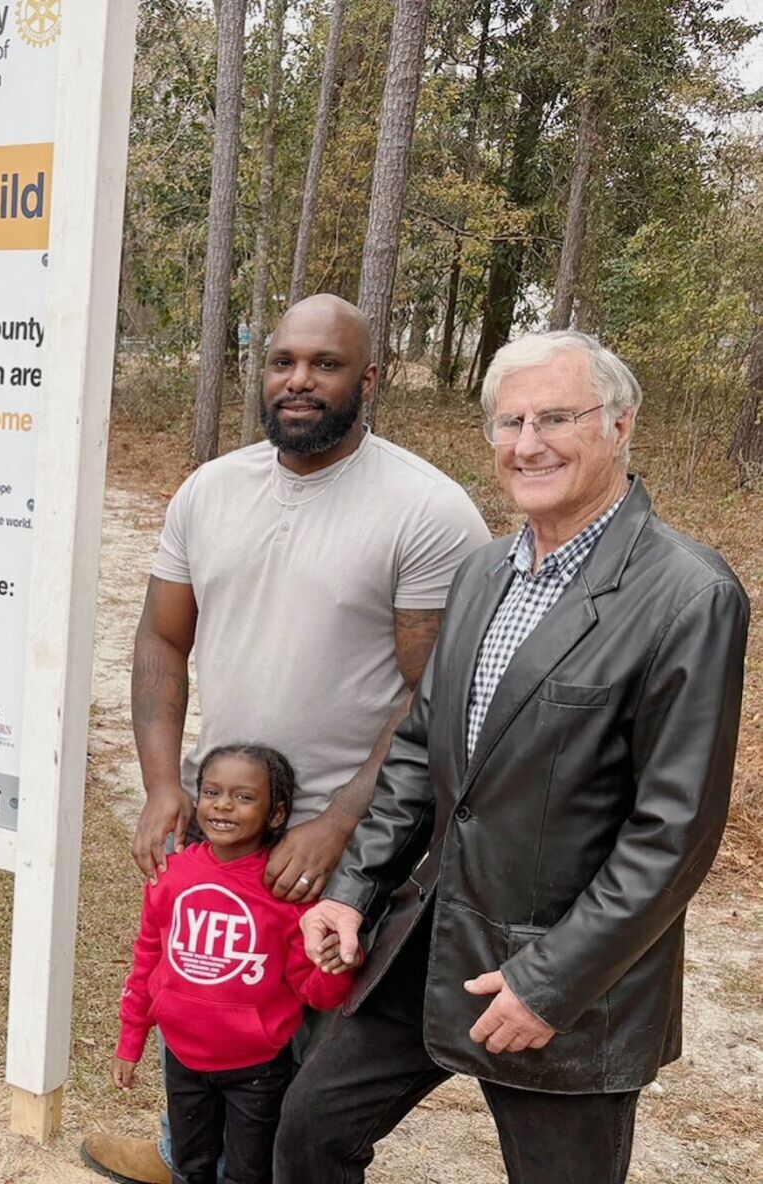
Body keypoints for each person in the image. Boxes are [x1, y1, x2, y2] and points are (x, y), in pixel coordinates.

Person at [277, 330, 751, 1184]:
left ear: (618, 426)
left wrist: (549, 983)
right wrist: (352, 892)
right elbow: (421, 753)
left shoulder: (688, 594)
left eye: (555, 417)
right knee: (308, 1134)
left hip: (569, 972)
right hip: (432, 933)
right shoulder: (481, 572)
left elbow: (670, 835)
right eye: (508, 422)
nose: (527, 443)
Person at [83, 295, 491, 1184]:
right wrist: (164, 785)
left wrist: (341, 821)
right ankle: (183, 1148)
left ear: (368, 379)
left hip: (354, 837)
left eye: (325, 364)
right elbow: (160, 636)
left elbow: (438, 695)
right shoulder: (209, 490)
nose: (298, 380)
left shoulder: (424, 509)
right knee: (205, 978)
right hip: (226, 816)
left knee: (304, 1039)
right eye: (282, 361)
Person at [115, 745, 353, 1184]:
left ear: (276, 814)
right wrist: (131, 1040)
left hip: (257, 1070)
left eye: (244, 797)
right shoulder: (171, 874)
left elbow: (310, 988)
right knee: (190, 1167)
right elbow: (147, 957)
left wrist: (336, 967)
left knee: (247, 1175)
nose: (223, 805)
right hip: (183, 1061)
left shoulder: (285, 892)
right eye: (211, 792)